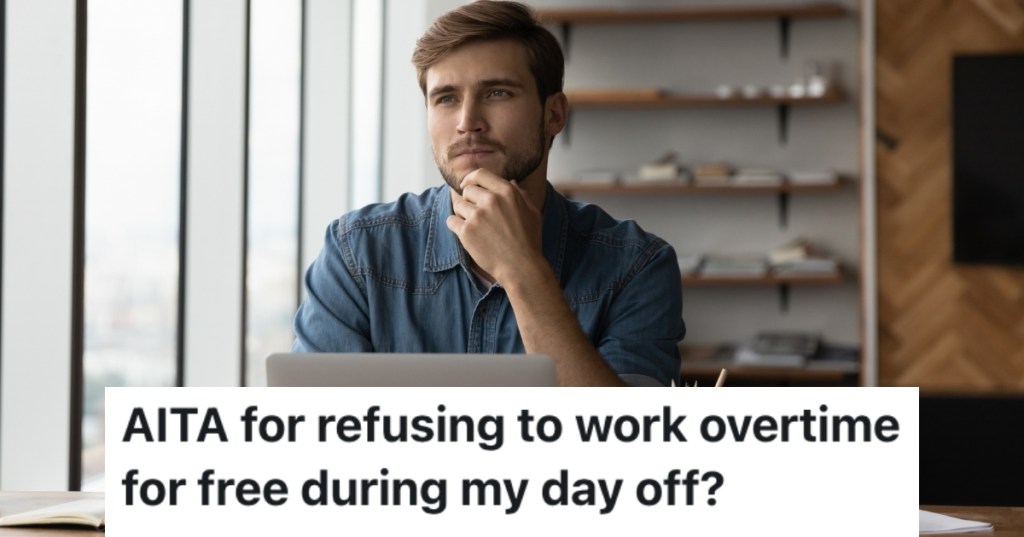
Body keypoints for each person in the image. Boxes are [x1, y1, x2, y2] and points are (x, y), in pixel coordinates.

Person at [292, 0, 684, 386]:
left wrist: (523, 271)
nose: (467, 123)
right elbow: (310, 431)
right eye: (446, 98)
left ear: (554, 114)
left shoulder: (638, 266)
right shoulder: (356, 254)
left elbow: (625, 442)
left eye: (497, 93)